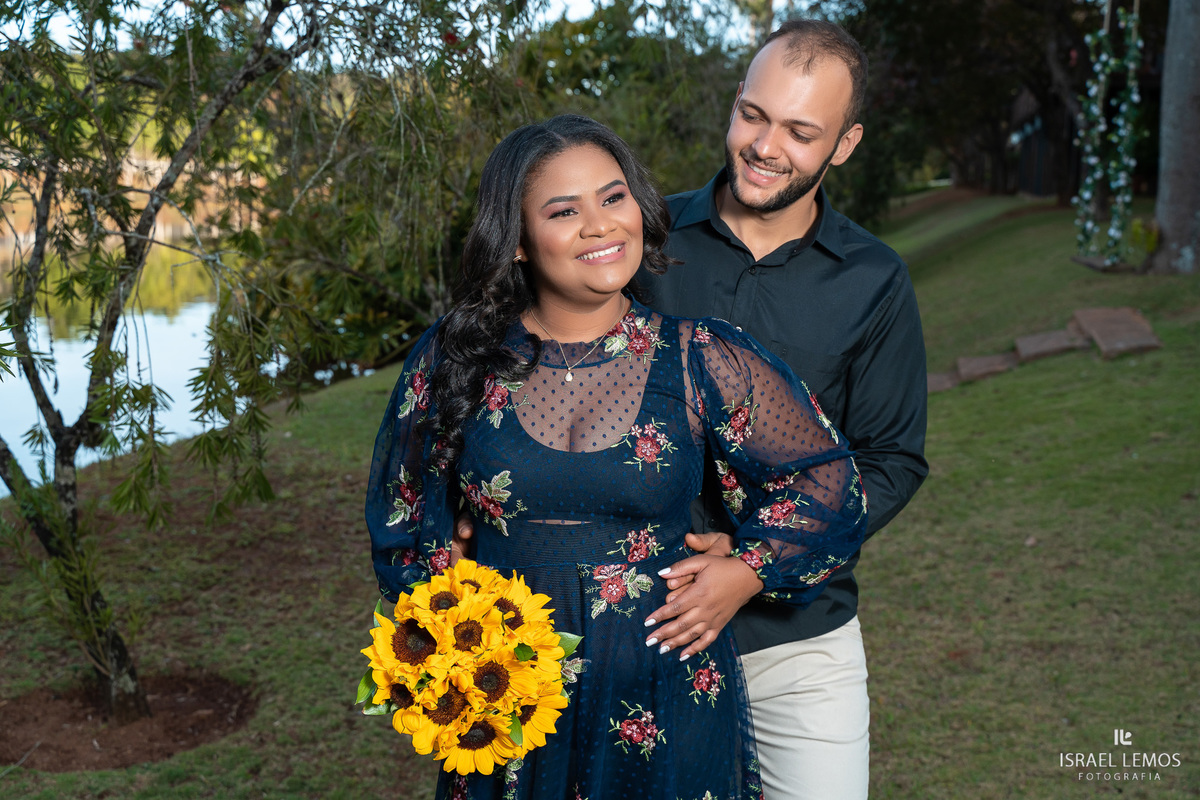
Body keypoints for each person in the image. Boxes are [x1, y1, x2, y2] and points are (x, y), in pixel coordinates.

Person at [366, 114, 868, 799]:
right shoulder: (458, 358)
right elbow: (403, 506)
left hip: (667, 695)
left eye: (613, 197)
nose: (600, 225)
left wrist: (748, 570)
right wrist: (446, 602)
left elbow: (827, 478)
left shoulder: (701, 357)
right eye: (564, 210)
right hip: (508, 705)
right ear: (516, 240)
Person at [635, 19, 930, 800]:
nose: (766, 146)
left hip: (802, 642)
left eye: (802, 132)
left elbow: (891, 459)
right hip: (641, 624)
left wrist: (752, 564)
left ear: (845, 144)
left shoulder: (874, 280)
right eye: (754, 115)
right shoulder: (640, 240)